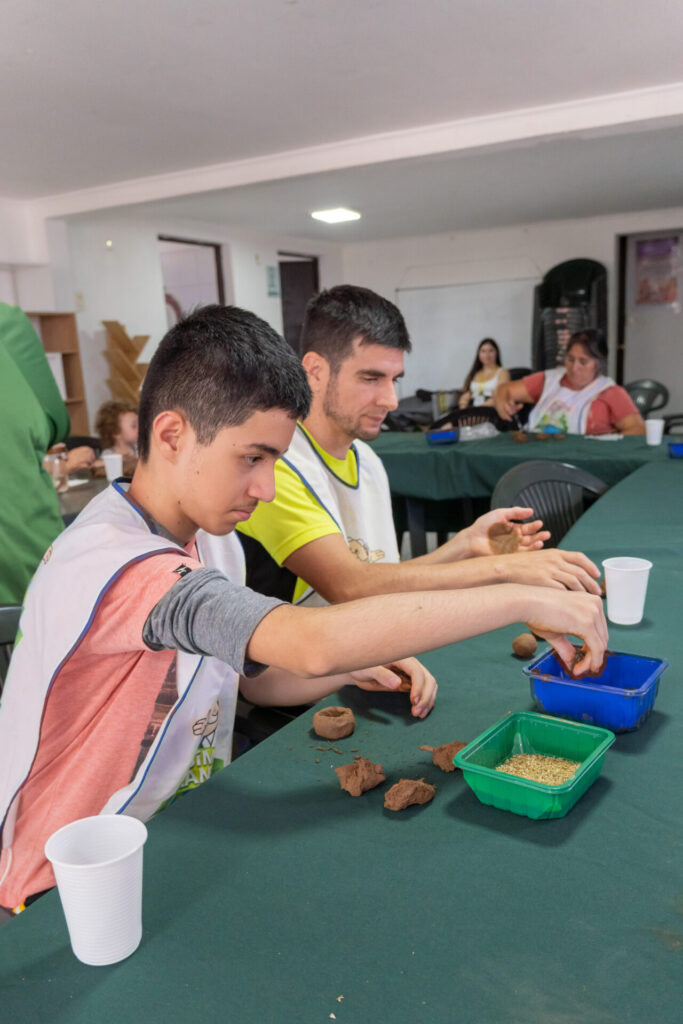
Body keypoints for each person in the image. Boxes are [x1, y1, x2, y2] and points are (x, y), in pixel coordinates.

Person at [0, 304, 607, 912]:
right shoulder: (122, 566)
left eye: (274, 462)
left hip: (174, 835)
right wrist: (523, 596)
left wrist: (353, 667)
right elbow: (310, 640)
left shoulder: (210, 538)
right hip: (65, 882)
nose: (264, 488)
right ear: (171, 435)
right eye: (251, 457)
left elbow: (252, 683)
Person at [238, 285, 602, 608]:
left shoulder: (366, 459)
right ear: (314, 370)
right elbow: (349, 586)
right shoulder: (276, 468)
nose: (392, 400)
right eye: (371, 378)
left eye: (394, 379)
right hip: (310, 682)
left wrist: (466, 545)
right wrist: (502, 568)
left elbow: (385, 579)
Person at [494, 329, 646, 435]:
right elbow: (505, 389)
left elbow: (638, 429)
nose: (574, 367)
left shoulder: (611, 392)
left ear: (599, 364)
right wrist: (502, 401)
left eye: (583, 361)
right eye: (570, 359)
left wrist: (606, 444)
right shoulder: (549, 380)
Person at [458, 338, 509, 409]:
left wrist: (477, 411)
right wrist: (463, 407)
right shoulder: (475, 373)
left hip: (491, 411)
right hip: (472, 411)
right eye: (483, 351)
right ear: (478, 354)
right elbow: (466, 395)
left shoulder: (502, 372)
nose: (487, 355)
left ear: (496, 353)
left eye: (491, 351)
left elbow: (500, 397)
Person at [95, 399, 139, 474]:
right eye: (134, 426)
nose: (140, 428)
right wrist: (117, 460)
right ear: (116, 432)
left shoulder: (139, 449)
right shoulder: (109, 453)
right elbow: (95, 465)